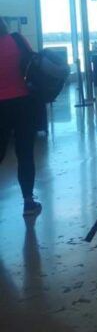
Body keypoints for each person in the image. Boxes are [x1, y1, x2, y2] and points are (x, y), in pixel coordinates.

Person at [0, 18, 42, 216]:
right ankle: (28, 202)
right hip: (24, 103)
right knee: (24, 153)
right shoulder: (17, 40)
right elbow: (32, 63)